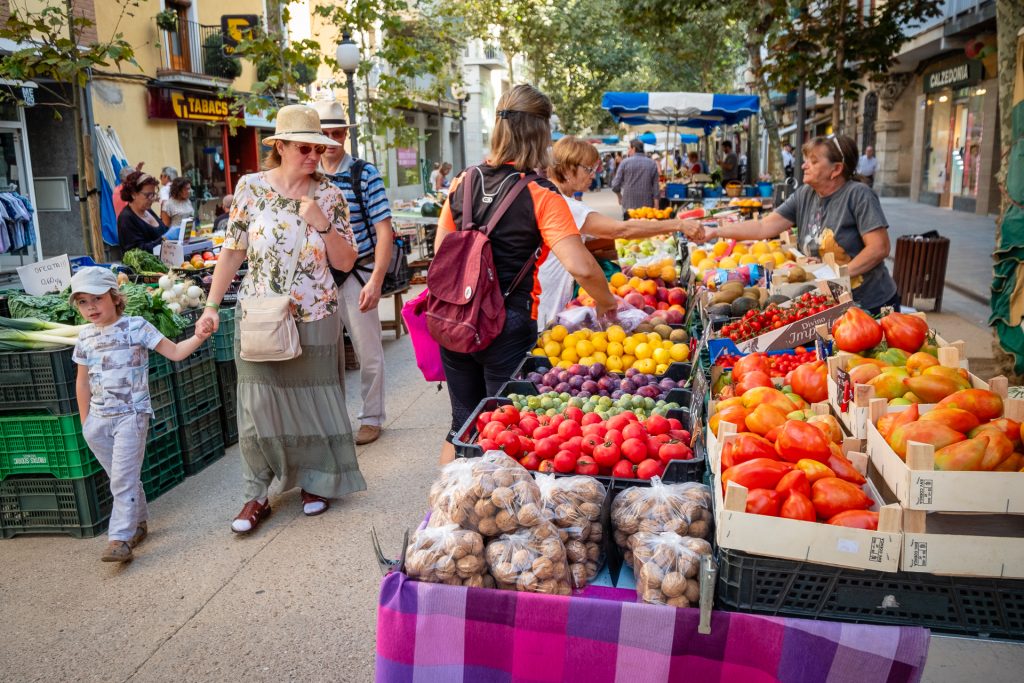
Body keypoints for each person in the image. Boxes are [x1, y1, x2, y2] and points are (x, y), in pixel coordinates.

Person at [198, 104, 365, 534]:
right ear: (282, 147)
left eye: (318, 148)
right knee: (258, 403)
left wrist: (322, 224)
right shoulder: (251, 188)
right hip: (260, 313)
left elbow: (346, 261)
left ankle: (316, 481)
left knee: (314, 398)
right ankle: (257, 493)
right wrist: (212, 306)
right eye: (305, 148)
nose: (314, 156)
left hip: (316, 312)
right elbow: (233, 252)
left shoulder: (329, 194)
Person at [433, 85, 616, 465]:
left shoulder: (463, 182)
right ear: (540, 134)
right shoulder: (541, 194)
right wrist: (607, 303)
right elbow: (581, 265)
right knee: (506, 430)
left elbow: (441, 254)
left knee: (461, 424)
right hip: (506, 325)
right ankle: (495, 512)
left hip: (455, 321)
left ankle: (445, 515)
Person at [72, 267, 210, 562]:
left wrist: (199, 335)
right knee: (121, 477)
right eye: (82, 302)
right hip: (98, 420)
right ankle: (138, 524)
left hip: (131, 416)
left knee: (122, 479)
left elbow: (174, 352)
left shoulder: (136, 326)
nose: (90, 307)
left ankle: (119, 539)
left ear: (114, 297)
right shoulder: (84, 336)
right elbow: (82, 381)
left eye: (97, 298)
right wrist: (86, 423)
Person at [698, 134, 899, 314]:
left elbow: (878, 248)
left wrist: (835, 276)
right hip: (830, 303)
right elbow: (763, 227)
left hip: (871, 305)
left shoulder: (858, 195)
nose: (804, 166)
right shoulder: (805, 194)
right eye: (805, 161)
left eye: (813, 161)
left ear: (836, 169)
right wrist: (714, 232)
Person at [538, 136, 703, 329]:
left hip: (542, 295)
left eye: (595, 169)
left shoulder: (547, 195)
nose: (593, 175)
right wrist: (677, 225)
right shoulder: (566, 206)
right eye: (588, 169)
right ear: (567, 169)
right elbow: (621, 229)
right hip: (545, 303)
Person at [314, 99, 395, 447]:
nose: (331, 142)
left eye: (337, 134)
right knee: (321, 356)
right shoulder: (306, 175)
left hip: (357, 274)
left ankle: (372, 417)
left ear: (346, 134)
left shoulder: (365, 173)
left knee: (368, 351)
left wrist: (376, 279)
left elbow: (384, 231)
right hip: (317, 280)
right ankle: (332, 421)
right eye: (324, 135)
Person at [117, 171, 169, 253]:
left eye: (153, 194)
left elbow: (161, 232)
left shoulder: (148, 210)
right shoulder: (126, 218)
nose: (151, 198)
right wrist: (165, 238)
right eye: (147, 195)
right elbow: (137, 251)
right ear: (133, 194)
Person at [611, 139, 659, 219]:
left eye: (628, 148)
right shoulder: (652, 163)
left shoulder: (624, 163)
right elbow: (656, 187)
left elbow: (615, 185)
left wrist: (619, 197)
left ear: (634, 149)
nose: (628, 151)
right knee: (645, 229)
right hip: (647, 206)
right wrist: (656, 205)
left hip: (628, 205)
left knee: (630, 228)